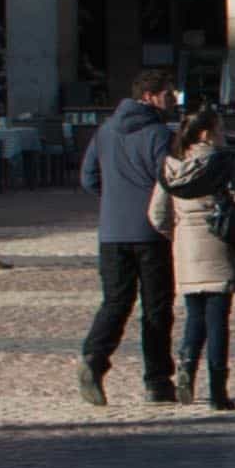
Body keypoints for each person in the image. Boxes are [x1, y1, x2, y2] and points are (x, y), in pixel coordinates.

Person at [76, 71, 188, 405]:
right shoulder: (158, 134)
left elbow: (88, 178)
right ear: (150, 96)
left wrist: (113, 199)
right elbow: (169, 179)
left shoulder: (105, 130)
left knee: (115, 302)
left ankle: (94, 359)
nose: (172, 99)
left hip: (111, 231)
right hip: (150, 232)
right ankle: (157, 381)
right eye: (168, 93)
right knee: (156, 307)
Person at [157, 96, 235, 409]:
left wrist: (177, 233)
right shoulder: (222, 163)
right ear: (206, 133)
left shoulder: (170, 166)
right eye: (220, 128)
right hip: (219, 244)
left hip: (186, 246)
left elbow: (157, 214)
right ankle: (217, 391)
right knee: (218, 320)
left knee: (194, 315)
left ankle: (186, 367)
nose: (223, 133)